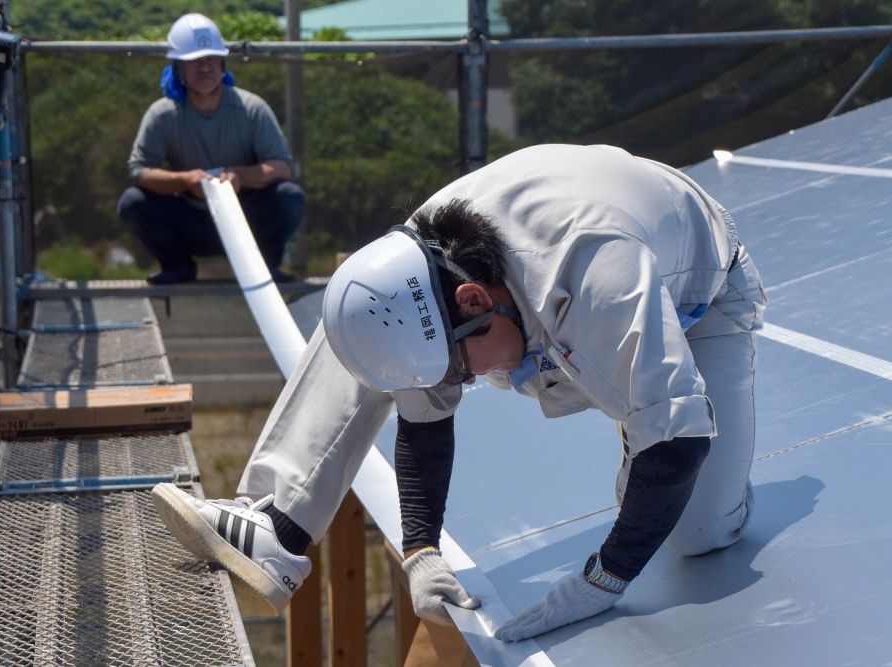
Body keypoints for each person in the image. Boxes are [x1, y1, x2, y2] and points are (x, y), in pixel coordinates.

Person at [151, 144, 766, 641]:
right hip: (546, 282)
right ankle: (277, 524)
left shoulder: (598, 280)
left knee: (698, 531)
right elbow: (423, 410)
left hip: (699, 290)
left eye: (454, 369)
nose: (462, 386)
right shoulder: (422, 263)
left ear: (475, 301)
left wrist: (604, 579)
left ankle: (672, 443)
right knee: (363, 314)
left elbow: (680, 442)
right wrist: (421, 550)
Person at [117, 13, 304, 285]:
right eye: (194, 61)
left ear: (223, 62)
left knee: (290, 196)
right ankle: (177, 266)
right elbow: (139, 171)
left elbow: (281, 166)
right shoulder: (162, 114)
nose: (204, 67)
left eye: (211, 59)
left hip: (247, 220)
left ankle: (266, 265)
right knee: (133, 203)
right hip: (192, 222)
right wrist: (186, 181)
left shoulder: (251, 108)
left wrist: (240, 176)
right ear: (178, 67)